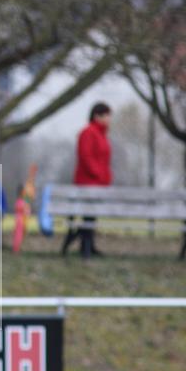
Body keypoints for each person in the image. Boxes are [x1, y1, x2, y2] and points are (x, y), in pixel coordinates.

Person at [62, 102, 113, 258]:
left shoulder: (102, 135)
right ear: (97, 116)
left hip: (99, 184)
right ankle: (84, 246)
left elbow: (104, 160)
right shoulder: (88, 133)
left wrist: (106, 177)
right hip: (87, 182)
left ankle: (87, 245)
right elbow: (86, 157)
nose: (109, 119)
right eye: (107, 115)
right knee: (88, 216)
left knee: (91, 216)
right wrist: (99, 175)